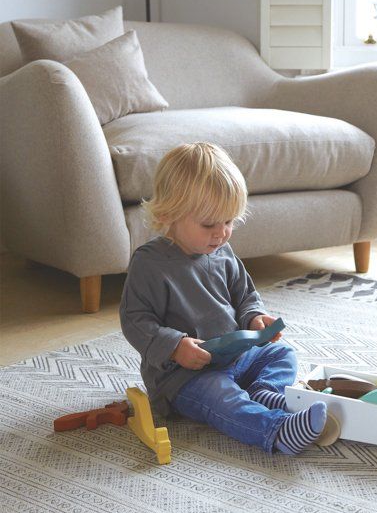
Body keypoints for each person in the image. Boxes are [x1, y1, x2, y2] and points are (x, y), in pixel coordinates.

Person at [120, 142, 327, 455]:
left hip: (234, 357)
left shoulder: (223, 253)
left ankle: (264, 392)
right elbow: (135, 320)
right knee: (221, 396)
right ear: (169, 213)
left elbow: (244, 296)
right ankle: (275, 431)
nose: (221, 234)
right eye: (209, 224)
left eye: (229, 221)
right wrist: (174, 347)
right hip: (184, 378)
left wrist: (255, 318)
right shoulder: (150, 264)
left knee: (282, 353)